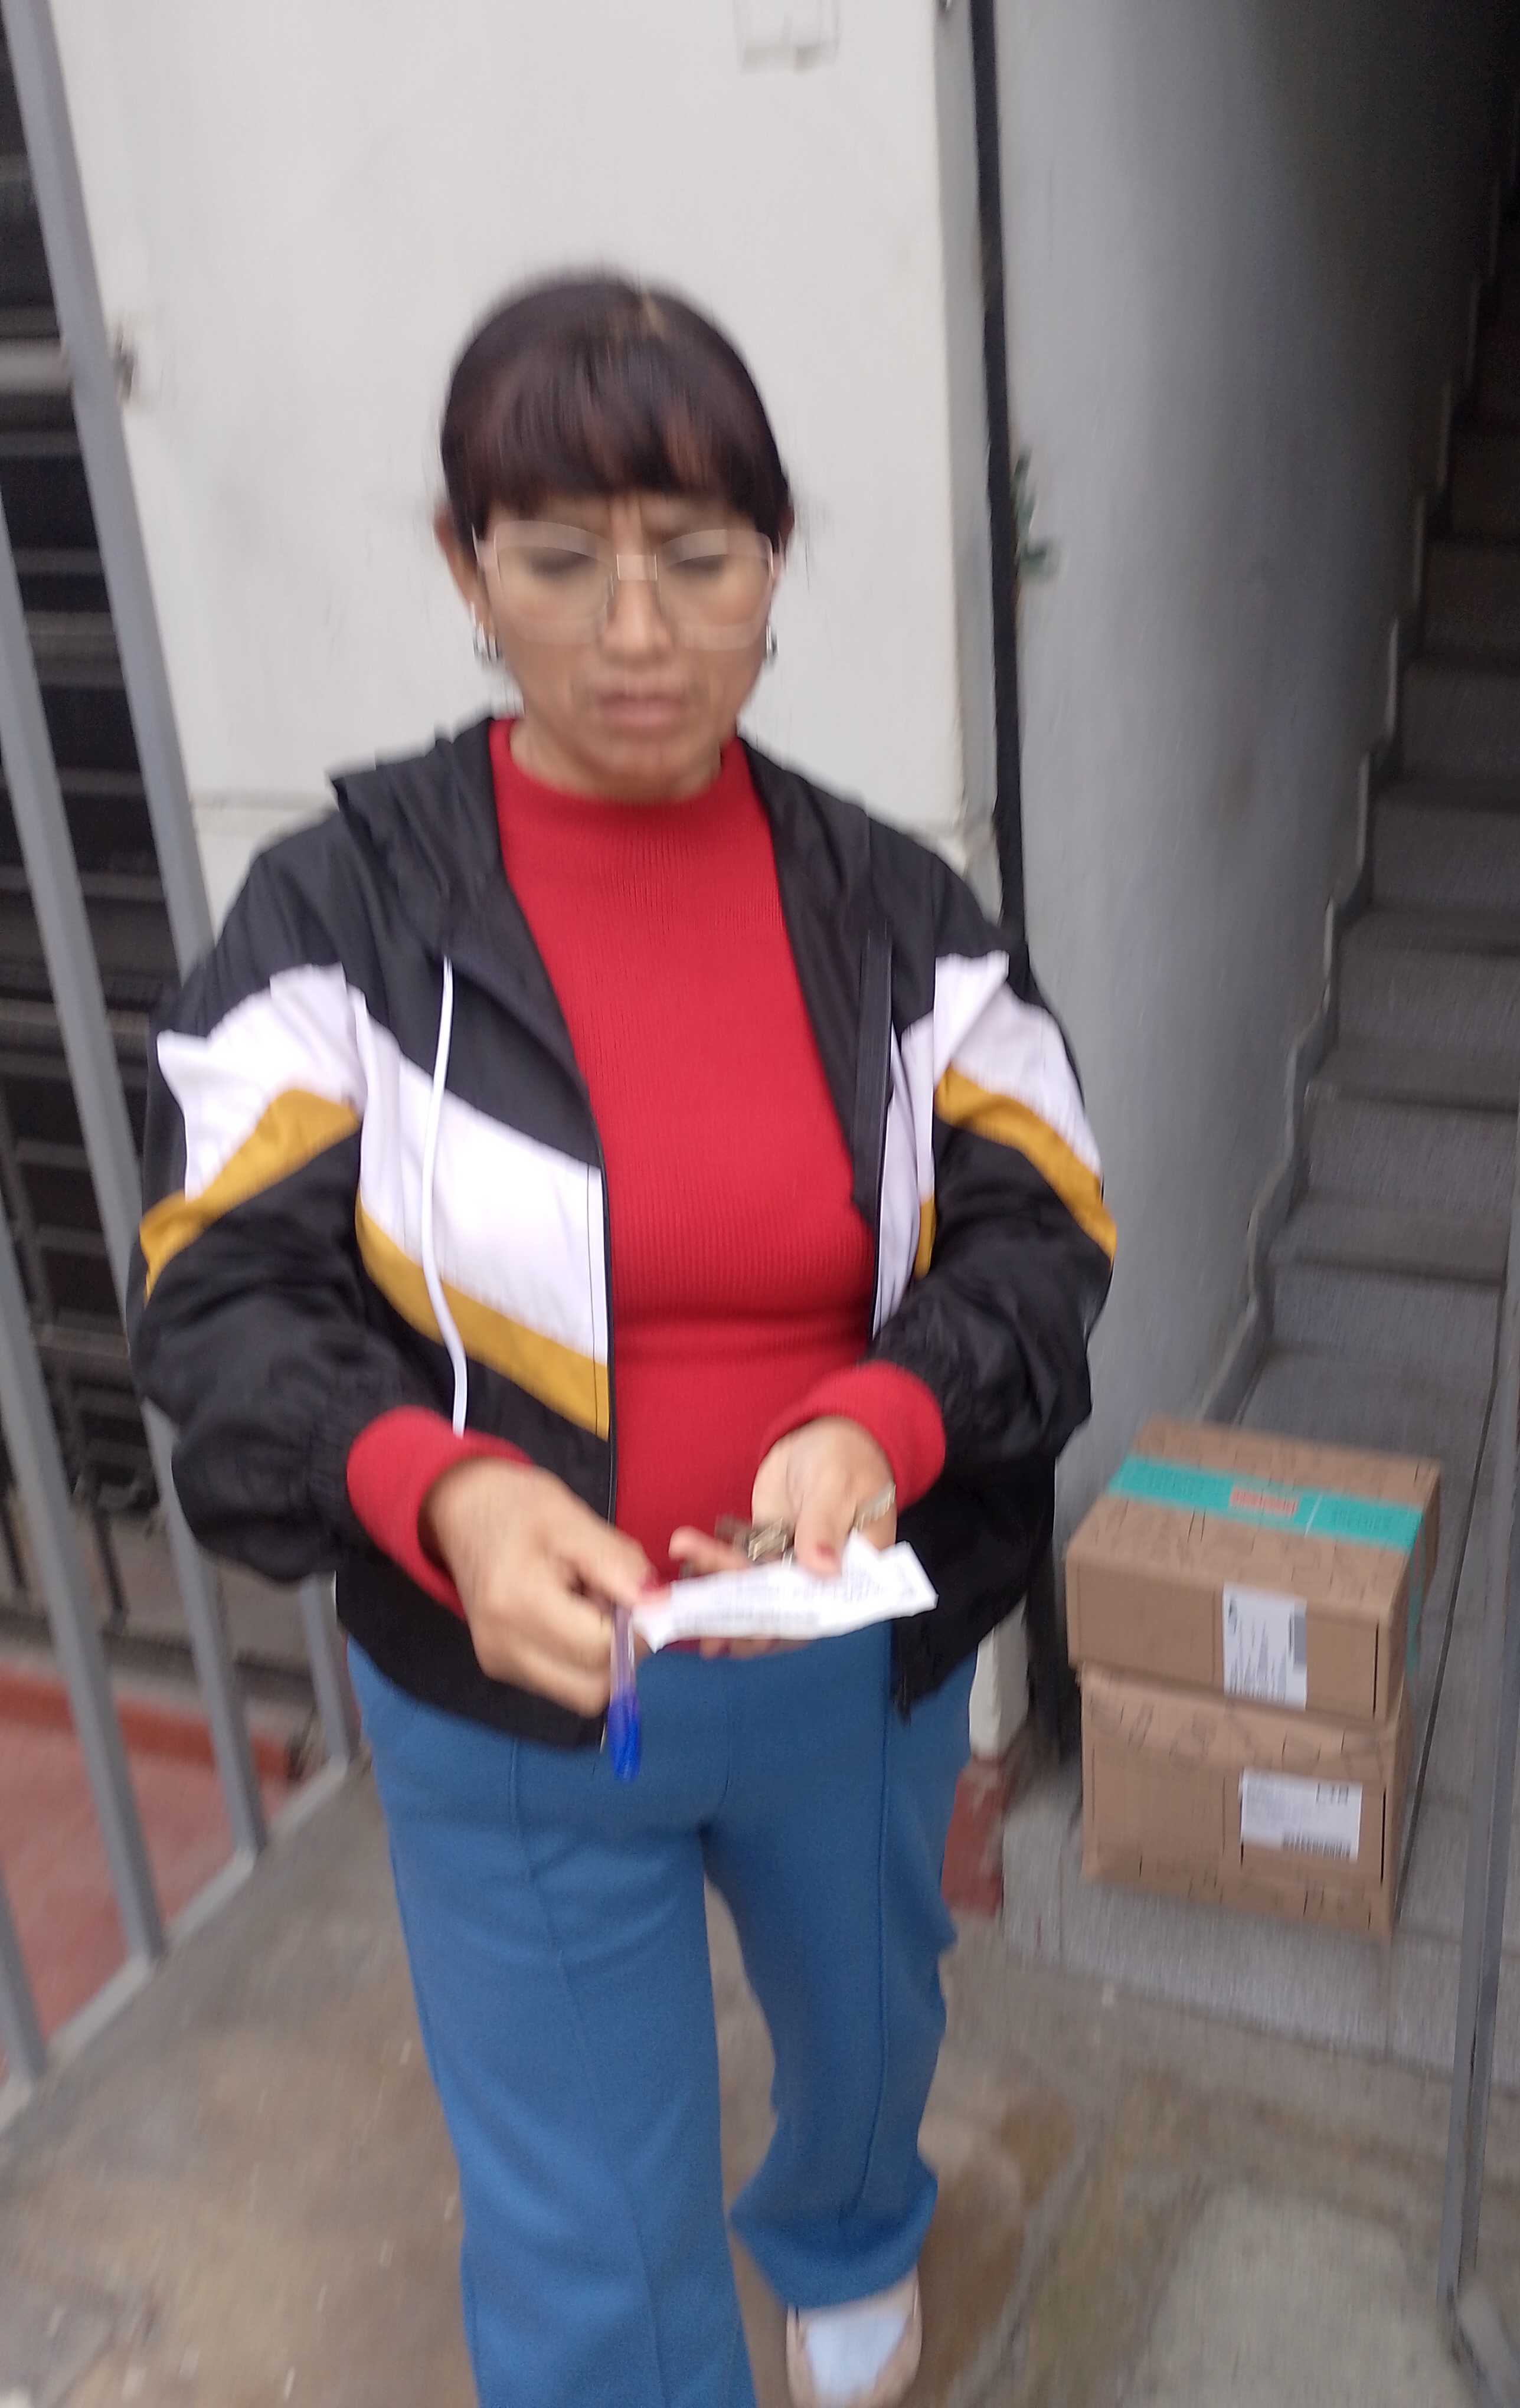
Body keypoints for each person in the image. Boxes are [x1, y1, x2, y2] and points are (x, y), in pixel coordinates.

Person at [128, 271, 1114, 2408]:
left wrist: (884, 1416)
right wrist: (441, 1494)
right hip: (509, 1685)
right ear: (464, 568)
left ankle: (847, 2228)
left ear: (778, 559)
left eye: (701, 557)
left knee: (871, 2026)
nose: (640, 631)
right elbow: (217, 1291)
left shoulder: (898, 913)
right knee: (580, 2206)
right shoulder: (341, 916)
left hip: (845, 1665)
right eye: (563, 560)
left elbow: (1047, 1232)